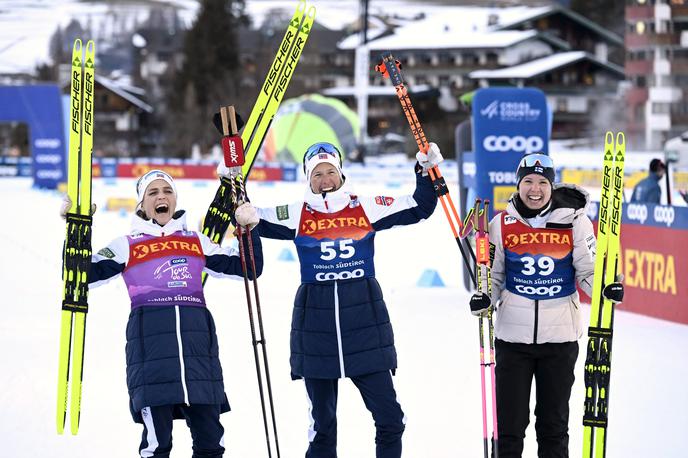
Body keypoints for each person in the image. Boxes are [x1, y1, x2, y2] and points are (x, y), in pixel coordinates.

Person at [229, 141, 441, 457]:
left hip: (365, 325)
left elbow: (419, 206)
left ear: (341, 173)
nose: (325, 179)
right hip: (316, 327)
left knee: (390, 419)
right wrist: (241, 208)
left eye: (330, 171)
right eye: (317, 174)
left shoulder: (365, 206)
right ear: (307, 179)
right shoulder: (296, 214)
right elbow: (250, 218)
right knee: (323, 427)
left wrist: (425, 170)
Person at [61, 169, 262, 458]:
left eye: (166, 191)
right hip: (152, 358)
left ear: (175, 198)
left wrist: (248, 229)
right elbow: (80, 275)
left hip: (199, 359)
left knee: (210, 442)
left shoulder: (196, 241)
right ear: (141, 204)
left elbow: (248, 267)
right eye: (152, 193)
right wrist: (76, 229)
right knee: (157, 445)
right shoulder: (127, 244)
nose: (161, 197)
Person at [468, 153, 624, 458]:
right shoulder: (502, 224)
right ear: (518, 184)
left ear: (552, 186)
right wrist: (484, 296)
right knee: (510, 428)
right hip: (513, 340)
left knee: (553, 427)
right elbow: (494, 275)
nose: (535, 189)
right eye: (528, 181)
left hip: (560, 339)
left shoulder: (575, 222)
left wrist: (606, 288)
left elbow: (588, 272)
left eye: (542, 182)